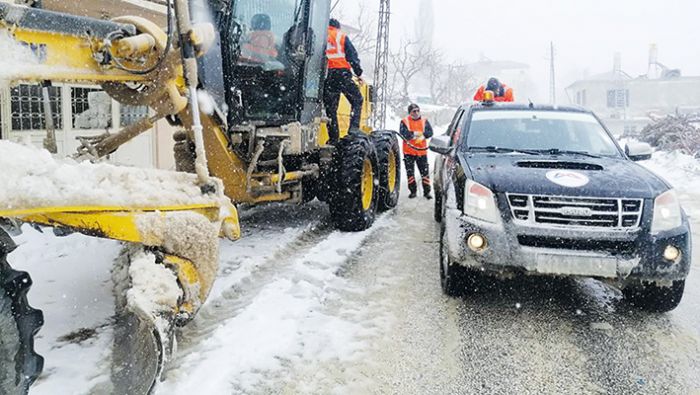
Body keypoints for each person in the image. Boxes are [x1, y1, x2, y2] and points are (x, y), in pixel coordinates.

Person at [323, 18, 364, 144]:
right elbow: (352, 56)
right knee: (357, 100)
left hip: (327, 75)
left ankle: (333, 138)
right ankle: (353, 128)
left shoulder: (321, 36)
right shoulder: (341, 36)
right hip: (342, 74)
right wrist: (358, 73)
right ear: (338, 27)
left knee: (331, 109)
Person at [400, 103, 433, 199]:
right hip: (409, 152)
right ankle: (413, 191)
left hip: (421, 152)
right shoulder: (404, 122)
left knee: (424, 173)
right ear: (410, 113)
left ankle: (427, 192)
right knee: (410, 173)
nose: (416, 113)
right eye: (414, 111)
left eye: (418, 110)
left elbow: (430, 132)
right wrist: (414, 134)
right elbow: (403, 133)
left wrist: (423, 135)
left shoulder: (424, 121)